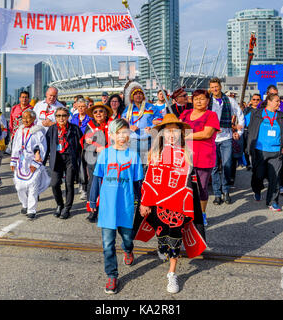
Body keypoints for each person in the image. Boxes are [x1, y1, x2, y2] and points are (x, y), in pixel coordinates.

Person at [135, 113, 207, 294]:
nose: (172, 135)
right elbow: (149, 179)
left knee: (175, 238)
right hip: (157, 202)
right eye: (168, 131)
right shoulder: (154, 153)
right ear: (162, 134)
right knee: (161, 234)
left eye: (176, 131)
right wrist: (144, 202)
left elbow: (190, 183)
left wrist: (187, 204)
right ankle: (162, 245)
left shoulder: (187, 153)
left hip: (177, 204)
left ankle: (172, 274)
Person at [89, 118, 144, 295]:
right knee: (107, 244)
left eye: (125, 132)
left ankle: (128, 250)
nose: (122, 136)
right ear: (111, 135)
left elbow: (137, 183)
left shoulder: (134, 156)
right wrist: (92, 200)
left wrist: (142, 202)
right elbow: (97, 178)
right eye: (118, 133)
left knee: (128, 237)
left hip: (126, 204)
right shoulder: (105, 154)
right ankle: (112, 275)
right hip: (107, 205)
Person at [245, 93, 283, 212]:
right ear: (269, 102)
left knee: (275, 178)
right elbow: (242, 123)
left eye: (279, 102)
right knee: (258, 175)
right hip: (259, 151)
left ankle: (272, 201)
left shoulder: (282, 116)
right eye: (277, 101)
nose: (279, 103)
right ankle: (256, 190)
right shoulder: (256, 114)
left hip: (277, 151)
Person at [180, 89, 220, 225]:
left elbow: (206, 133)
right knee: (184, 188)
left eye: (202, 98)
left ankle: (201, 214)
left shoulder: (211, 115)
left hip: (203, 157)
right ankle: (186, 213)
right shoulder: (185, 113)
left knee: (201, 188)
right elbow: (178, 128)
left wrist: (187, 136)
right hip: (185, 157)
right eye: (196, 98)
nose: (198, 101)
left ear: (208, 101)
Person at [208, 77, 244, 205]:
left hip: (226, 138)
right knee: (213, 168)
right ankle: (217, 194)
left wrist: (239, 132)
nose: (214, 89)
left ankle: (226, 190)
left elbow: (240, 115)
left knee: (227, 165)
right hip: (211, 138)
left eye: (216, 86)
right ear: (210, 88)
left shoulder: (229, 100)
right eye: (212, 87)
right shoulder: (207, 102)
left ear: (220, 87)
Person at [10, 109, 50, 220]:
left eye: (28, 117)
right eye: (23, 117)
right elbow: (15, 146)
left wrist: (36, 163)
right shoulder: (19, 130)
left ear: (33, 118)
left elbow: (43, 148)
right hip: (21, 161)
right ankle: (25, 204)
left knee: (33, 186)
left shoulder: (38, 131)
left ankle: (31, 210)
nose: (25, 120)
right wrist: (13, 160)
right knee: (19, 186)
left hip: (33, 160)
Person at [44, 107, 83, 219]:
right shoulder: (52, 129)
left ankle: (67, 207)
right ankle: (60, 205)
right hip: (57, 158)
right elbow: (46, 145)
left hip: (70, 158)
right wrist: (41, 159)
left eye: (64, 115)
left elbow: (81, 144)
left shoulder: (74, 128)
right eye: (58, 116)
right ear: (55, 117)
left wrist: (81, 160)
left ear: (68, 117)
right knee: (55, 183)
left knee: (69, 183)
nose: (61, 118)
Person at [84, 102, 113, 223]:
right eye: (95, 112)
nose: (98, 114)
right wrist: (96, 148)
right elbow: (85, 144)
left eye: (101, 111)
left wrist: (106, 149)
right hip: (94, 158)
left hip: (110, 158)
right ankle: (92, 210)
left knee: (109, 183)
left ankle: (107, 209)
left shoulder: (112, 125)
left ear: (106, 113)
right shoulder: (89, 126)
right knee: (93, 183)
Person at [123, 82, 163, 167]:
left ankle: (144, 179)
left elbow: (160, 119)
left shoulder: (151, 107)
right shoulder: (128, 109)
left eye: (140, 93)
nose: (138, 95)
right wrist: (129, 126)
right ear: (132, 96)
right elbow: (123, 121)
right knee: (133, 164)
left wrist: (152, 126)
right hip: (133, 140)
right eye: (136, 94)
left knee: (146, 164)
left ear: (143, 95)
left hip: (147, 140)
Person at [70, 97, 92, 200]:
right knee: (78, 166)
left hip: (87, 146)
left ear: (87, 107)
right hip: (75, 146)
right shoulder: (74, 117)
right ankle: (80, 184)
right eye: (79, 107)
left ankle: (84, 189)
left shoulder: (90, 118)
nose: (81, 109)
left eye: (83, 106)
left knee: (85, 167)